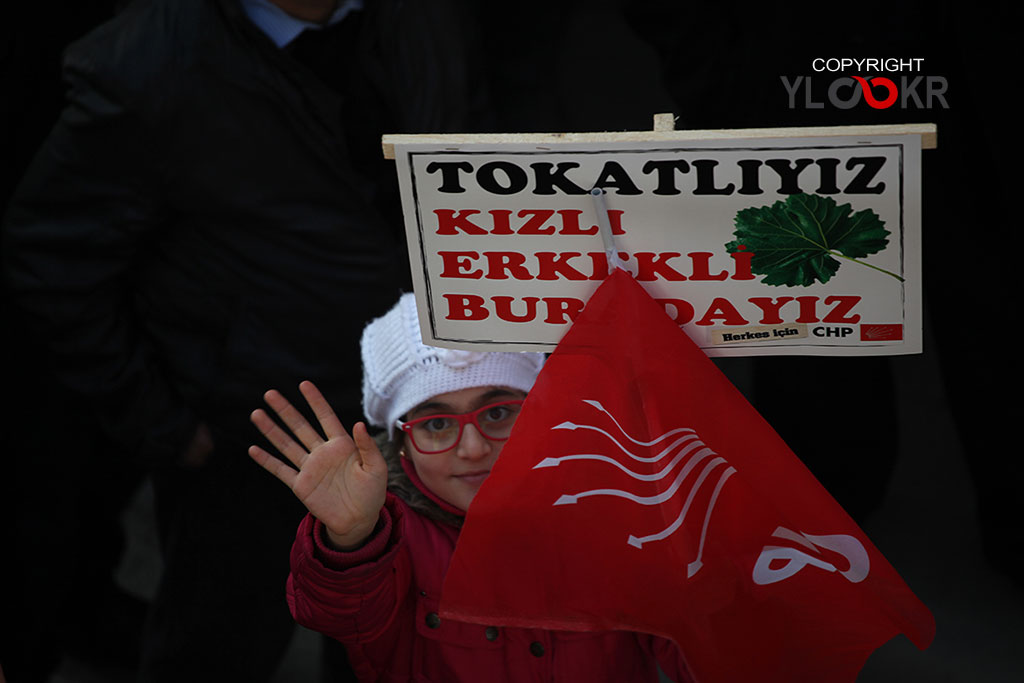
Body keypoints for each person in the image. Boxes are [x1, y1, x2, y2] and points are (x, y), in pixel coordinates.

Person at [2, 1, 483, 679]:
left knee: (389, 639)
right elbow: (50, 256)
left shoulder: (426, 17)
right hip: (252, 438)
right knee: (218, 645)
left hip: (411, 410)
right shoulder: (148, 62)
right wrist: (161, 423)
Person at [249, 293, 694, 682]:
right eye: (437, 424)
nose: (474, 448)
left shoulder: (617, 509)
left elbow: (701, 650)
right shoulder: (390, 539)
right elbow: (335, 613)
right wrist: (351, 540)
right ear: (401, 442)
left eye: (499, 412)